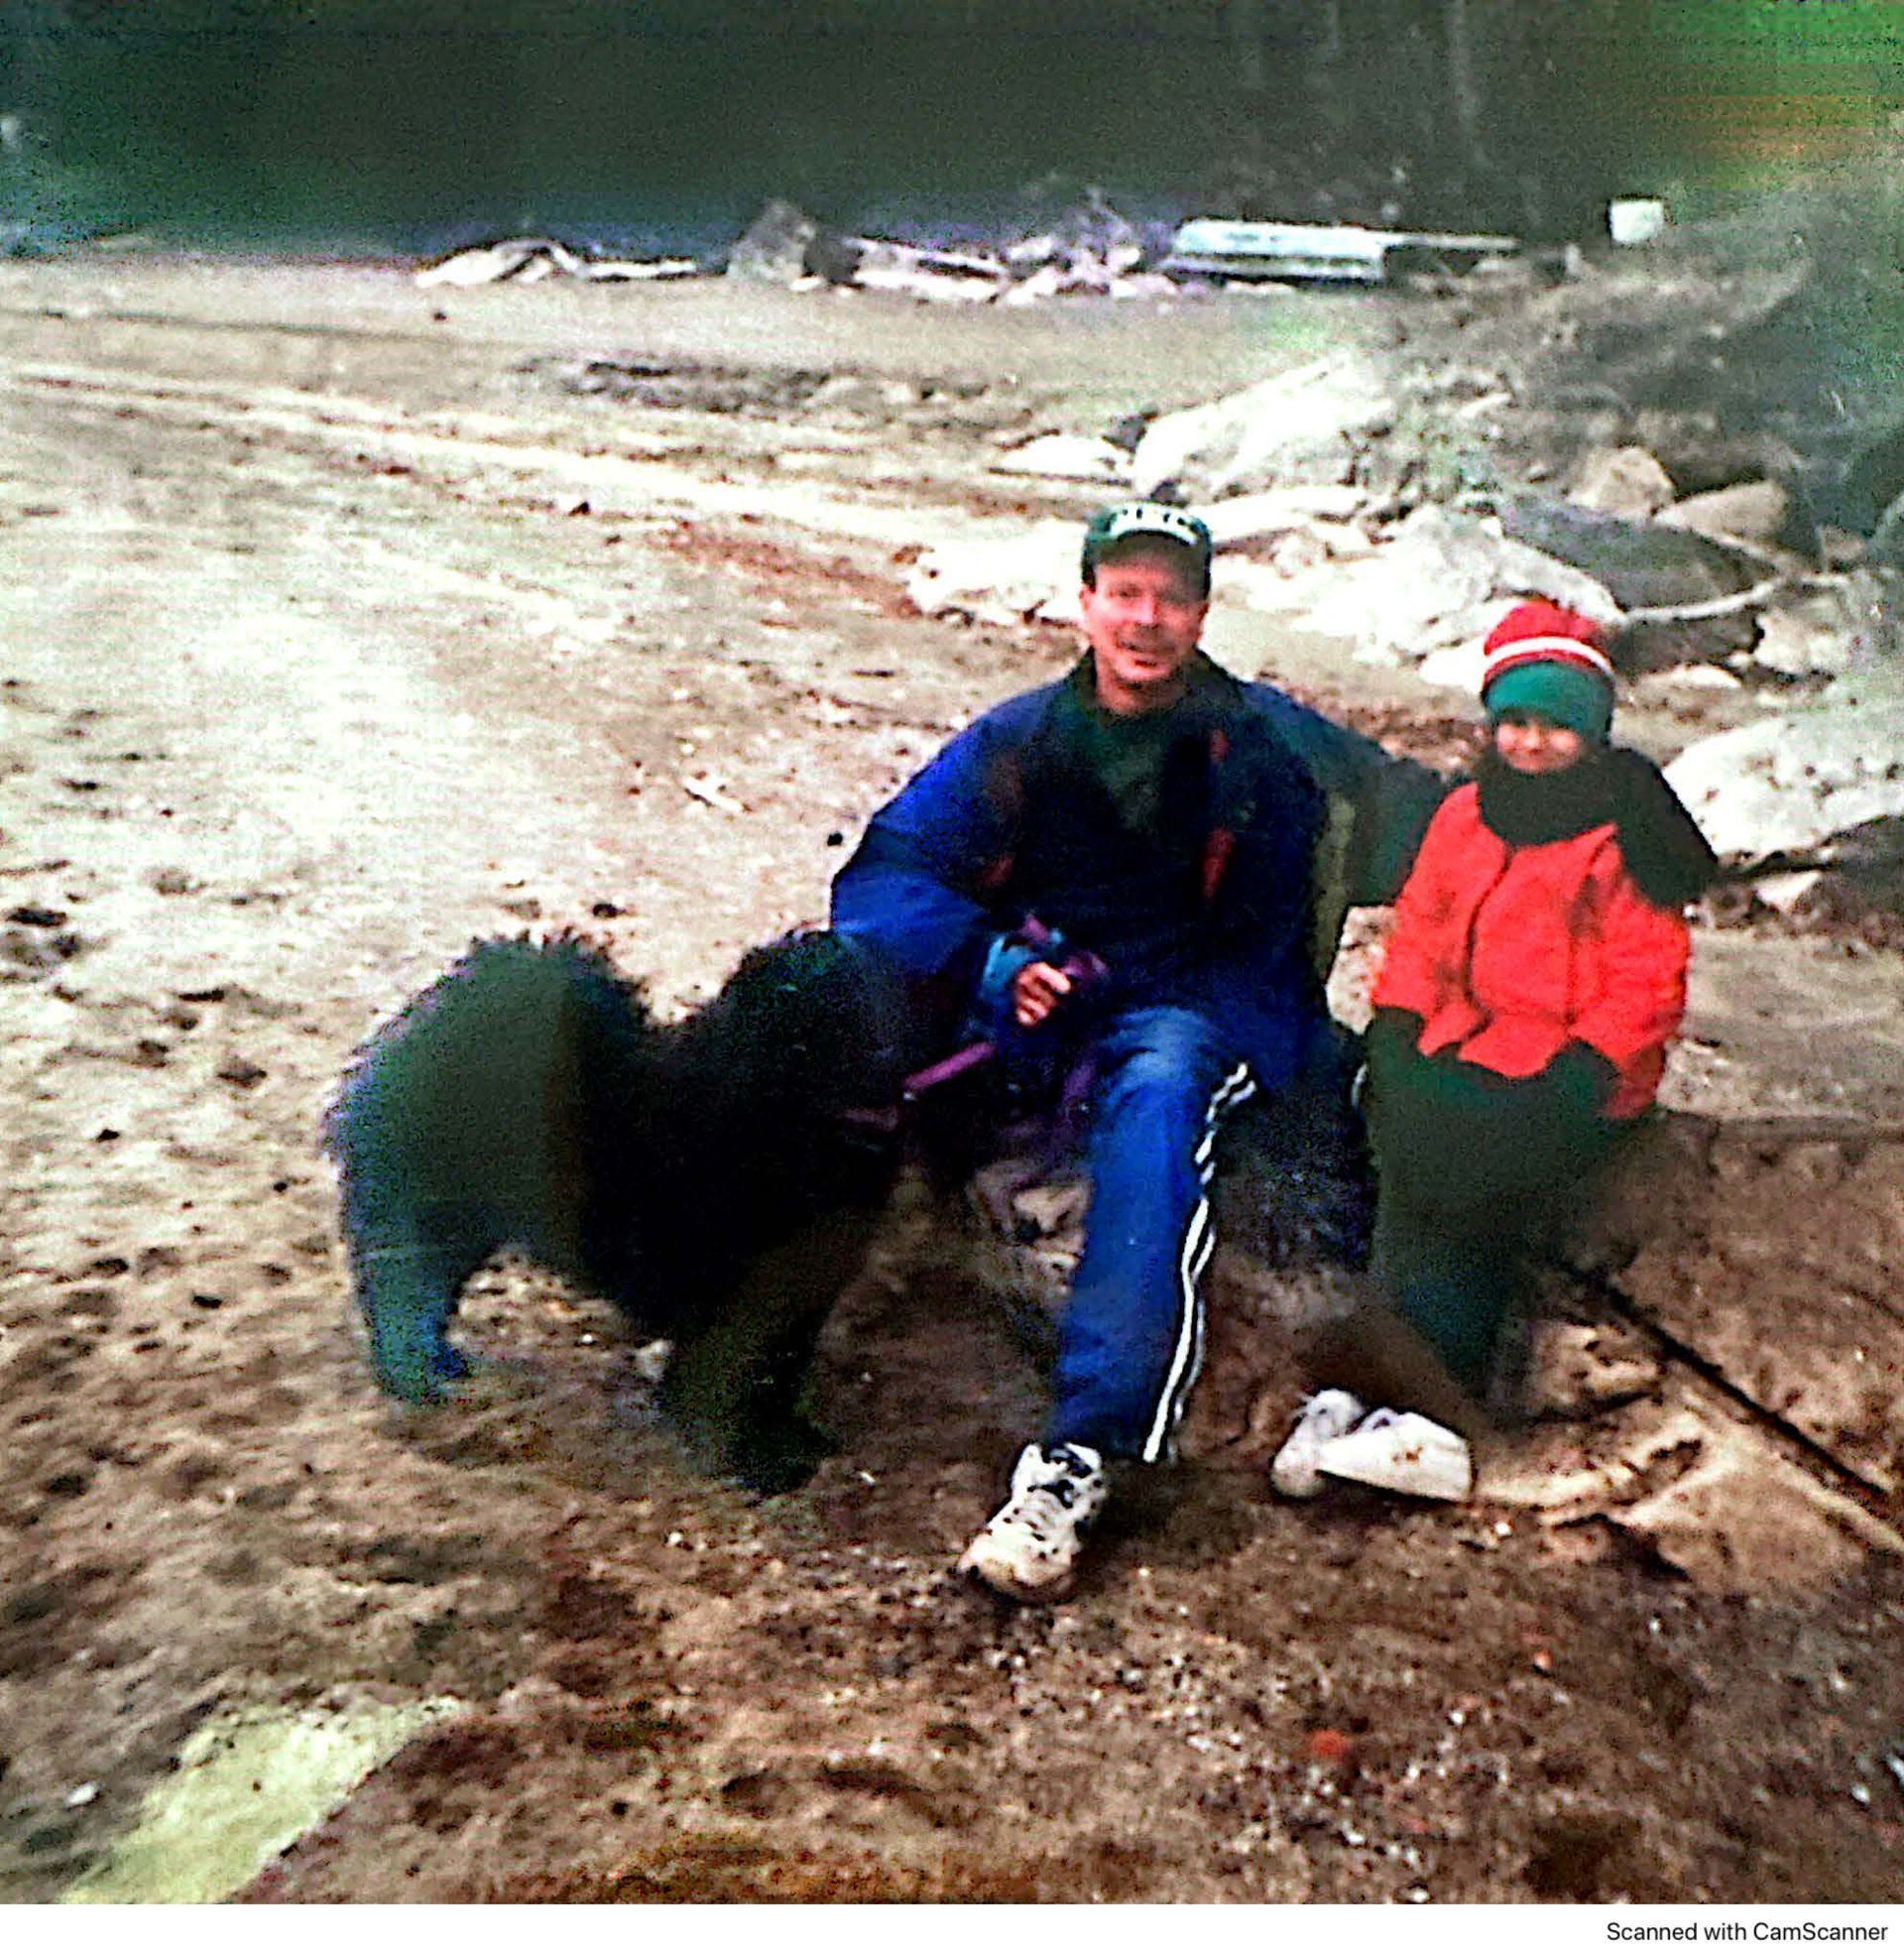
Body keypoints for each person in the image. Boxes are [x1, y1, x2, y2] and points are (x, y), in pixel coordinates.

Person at [829, 501, 1441, 1600]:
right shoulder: (1019, 742)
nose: (1146, 618)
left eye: (1171, 595)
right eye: (1125, 592)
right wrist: (987, 959)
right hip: (1045, 1012)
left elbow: (1453, 829)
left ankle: (1083, 1452)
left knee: (1158, 1099)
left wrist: (1590, 794)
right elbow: (878, 883)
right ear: (1086, 602)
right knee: (827, 1021)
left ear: (1202, 610)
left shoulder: (1280, 744)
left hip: (1219, 1014)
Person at [1270, 599, 1719, 1504]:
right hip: (1468, 1044)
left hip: (1570, 1072)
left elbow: (1646, 974)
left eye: (1555, 726)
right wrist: (1397, 1027)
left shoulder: (1617, 830)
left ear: (1590, 733)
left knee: (1464, 1188)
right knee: (1400, 1165)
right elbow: (1424, 937)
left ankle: (1440, 1412)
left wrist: (1588, 1066)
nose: (1530, 743)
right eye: (1514, 721)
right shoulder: (1468, 815)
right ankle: (1368, 1389)